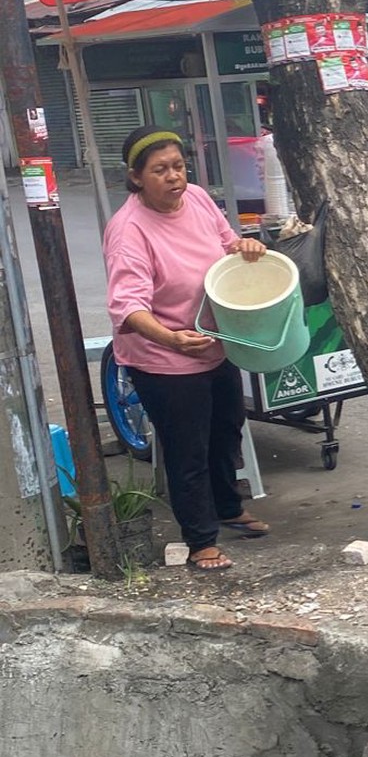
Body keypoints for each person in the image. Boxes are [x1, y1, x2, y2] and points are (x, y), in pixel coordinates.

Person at [104, 127, 271, 572]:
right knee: (187, 449)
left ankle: (228, 507)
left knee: (226, 428)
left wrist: (245, 247)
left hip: (213, 342)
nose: (173, 177)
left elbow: (225, 243)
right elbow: (128, 306)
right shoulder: (129, 231)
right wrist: (171, 338)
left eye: (178, 166)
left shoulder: (196, 197)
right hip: (164, 356)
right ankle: (200, 542)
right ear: (136, 177)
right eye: (160, 170)